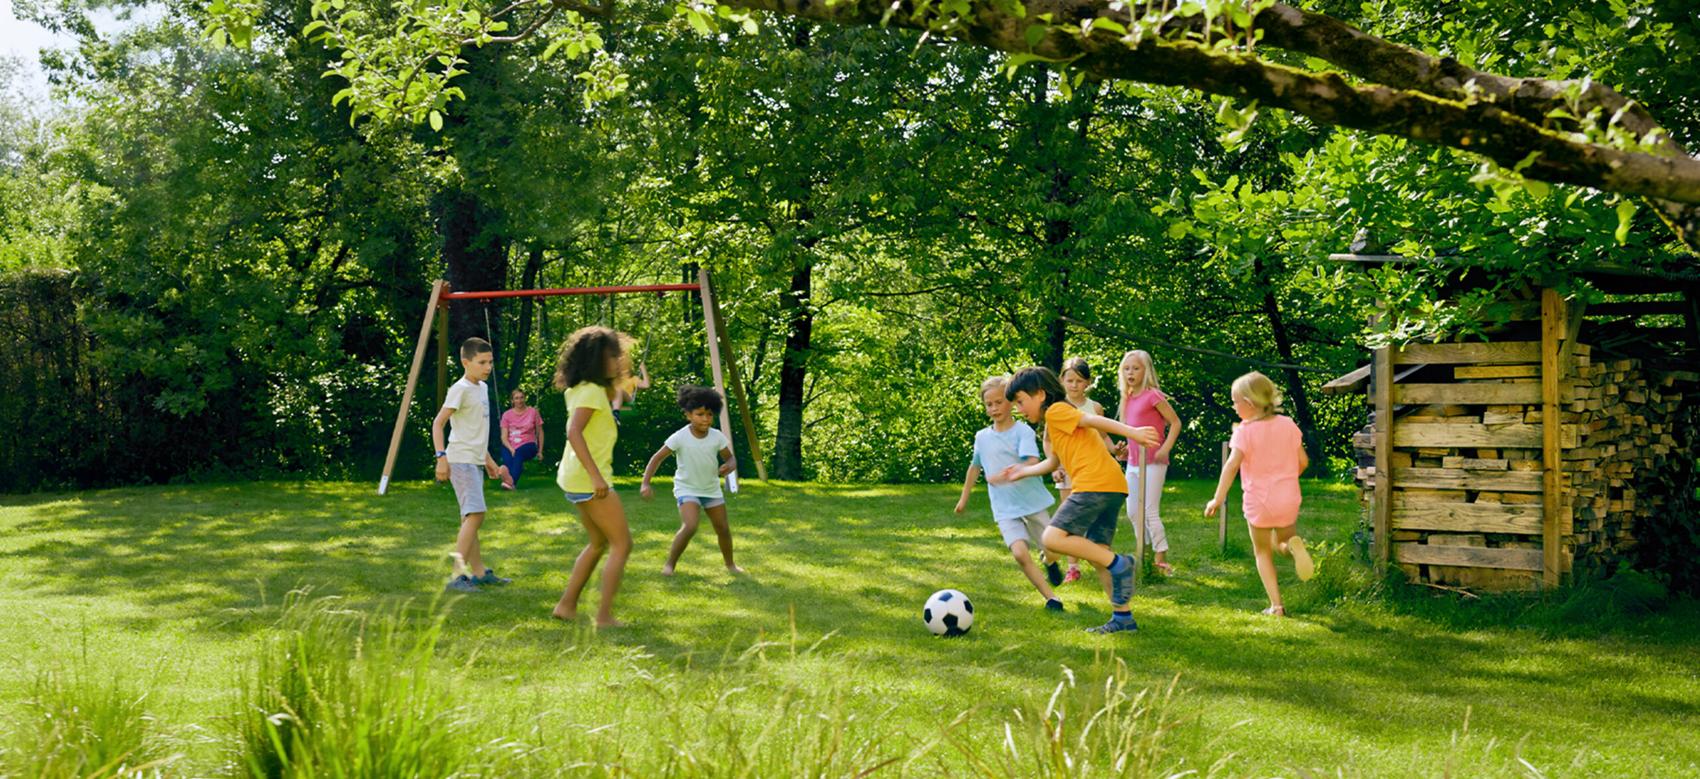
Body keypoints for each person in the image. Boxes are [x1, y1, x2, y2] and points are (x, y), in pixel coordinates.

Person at [996, 367, 1160, 634]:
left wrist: (1133, 433)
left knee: (1051, 538)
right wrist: (1022, 470)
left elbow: (1094, 421)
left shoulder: (1057, 411)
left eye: (1020, 401)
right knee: (1099, 554)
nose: (1018, 409)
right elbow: (1053, 462)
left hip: (1093, 485)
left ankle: (1122, 564)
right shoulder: (1056, 421)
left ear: (1039, 394)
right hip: (1112, 485)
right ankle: (1123, 618)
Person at [1205, 371, 1315, 616]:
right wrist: (1285, 478)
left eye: (1235, 401)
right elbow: (1303, 462)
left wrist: (1218, 498)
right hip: (1287, 495)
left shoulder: (1244, 431)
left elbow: (1232, 465)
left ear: (1249, 403)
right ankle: (1295, 548)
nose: (1233, 407)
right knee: (1284, 541)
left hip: (1260, 500)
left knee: (1263, 551)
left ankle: (1276, 606)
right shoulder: (1288, 425)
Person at [954, 375, 1064, 611]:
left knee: (1053, 549)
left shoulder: (1022, 432)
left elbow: (1033, 461)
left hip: (1031, 502)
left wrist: (1010, 473)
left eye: (999, 402)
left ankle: (1050, 561)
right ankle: (1051, 598)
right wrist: (964, 499)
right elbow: (974, 467)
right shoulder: (982, 438)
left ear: (1012, 402)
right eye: (989, 404)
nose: (994, 408)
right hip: (1005, 508)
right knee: (1020, 554)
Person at [551, 326, 633, 628]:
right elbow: (573, 432)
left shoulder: (583, 388)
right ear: (597, 358)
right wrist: (597, 477)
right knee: (622, 544)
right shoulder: (591, 392)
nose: (618, 360)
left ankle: (566, 606)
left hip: (575, 477)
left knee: (598, 542)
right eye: (613, 356)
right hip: (588, 480)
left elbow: (620, 389)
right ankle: (603, 616)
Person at [431, 337, 512, 593]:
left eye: (490, 362)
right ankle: (457, 575)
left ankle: (478, 573)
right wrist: (441, 458)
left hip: (474, 460)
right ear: (466, 362)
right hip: (459, 459)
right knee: (475, 514)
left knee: (471, 517)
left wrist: (488, 461)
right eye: (482, 362)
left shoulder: (482, 388)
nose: (488, 367)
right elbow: (438, 424)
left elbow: (476, 430)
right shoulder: (460, 388)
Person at [641, 386, 743, 576]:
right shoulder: (679, 437)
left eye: (710, 414)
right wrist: (645, 483)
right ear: (688, 415)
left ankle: (730, 565)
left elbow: (731, 459)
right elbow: (657, 458)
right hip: (687, 489)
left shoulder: (717, 437)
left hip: (711, 489)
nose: (705, 419)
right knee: (690, 526)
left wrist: (729, 465)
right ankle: (670, 565)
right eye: (700, 414)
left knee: (723, 528)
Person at [1115, 350, 1181, 575]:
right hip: (1133, 463)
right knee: (1133, 511)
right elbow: (1131, 431)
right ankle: (1142, 550)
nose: (1130, 372)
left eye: (1136, 368)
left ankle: (1161, 557)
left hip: (1153, 461)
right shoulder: (1127, 398)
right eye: (1127, 368)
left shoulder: (1153, 396)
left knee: (1150, 510)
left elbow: (1175, 423)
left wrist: (1165, 449)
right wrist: (1125, 452)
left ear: (1146, 371)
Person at [1057, 357, 1108, 584]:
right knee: (1068, 521)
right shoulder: (1058, 407)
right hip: (1066, 469)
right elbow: (1053, 441)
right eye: (1070, 380)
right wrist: (1055, 467)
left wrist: (1116, 450)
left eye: (1079, 380)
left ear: (1087, 382)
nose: (1074, 385)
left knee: (1091, 518)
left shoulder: (1095, 408)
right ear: (1062, 381)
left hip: (1091, 472)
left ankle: (1100, 560)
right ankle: (1072, 567)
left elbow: (1104, 436)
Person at [498, 388, 544, 490]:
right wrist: (511, 449)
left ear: (525, 398)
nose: (519, 400)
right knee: (509, 459)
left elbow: (540, 432)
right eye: (516, 398)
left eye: (522, 397)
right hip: (509, 445)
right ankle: (509, 480)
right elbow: (503, 437)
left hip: (528, 445)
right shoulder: (507, 415)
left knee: (518, 454)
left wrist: (540, 451)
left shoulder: (533, 412)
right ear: (512, 401)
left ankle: (511, 482)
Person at [611, 341, 650, 423]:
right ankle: (614, 413)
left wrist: (643, 370)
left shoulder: (633, 379)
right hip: (614, 401)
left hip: (627, 400)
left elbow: (646, 385)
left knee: (619, 390)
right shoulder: (615, 378)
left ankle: (615, 413)